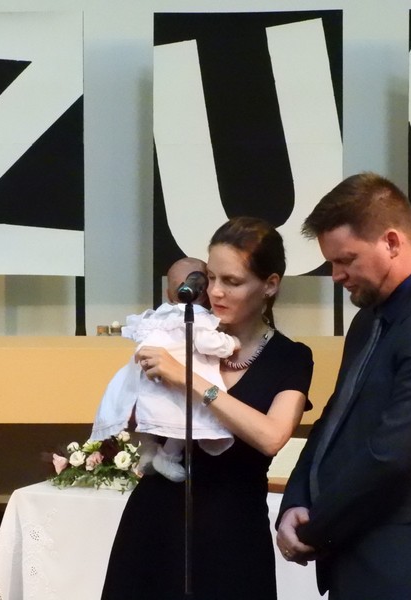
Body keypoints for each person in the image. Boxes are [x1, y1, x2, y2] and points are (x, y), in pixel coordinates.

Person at [276, 172, 411, 600]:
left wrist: (314, 528)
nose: (336, 275)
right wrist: (295, 499)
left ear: (392, 242)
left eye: (346, 260)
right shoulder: (370, 317)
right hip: (363, 558)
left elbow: (393, 457)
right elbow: (335, 421)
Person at [101, 217, 314, 600]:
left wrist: (189, 380)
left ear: (270, 284)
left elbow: (271, 436)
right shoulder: (181, 335)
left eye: (232, 281)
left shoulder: (290, 357)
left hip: (231, 531)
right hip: (156, 519)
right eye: (211, 278)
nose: (216, 292)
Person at [91, 257, 239, 482]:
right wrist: (231, 343)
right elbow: (207, 343)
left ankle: (149, 449)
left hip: (146, 378)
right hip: (177, 378)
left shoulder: (157, 316)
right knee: (187, 416)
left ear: (169, 294)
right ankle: (168, 456)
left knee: (149, 416)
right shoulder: (198, 317)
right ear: (205, 292)